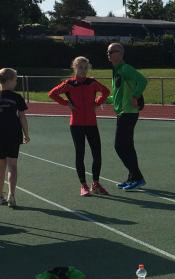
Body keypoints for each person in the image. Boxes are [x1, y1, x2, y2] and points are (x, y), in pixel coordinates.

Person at [48, 57, 111, 196]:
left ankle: (96, 183)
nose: (83, 70)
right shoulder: (69, 83)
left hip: (91, 123)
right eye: (80, 67)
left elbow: (106, 91)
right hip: (76, 124)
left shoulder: (92, 82)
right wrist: (66, 103)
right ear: (75, 68)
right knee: (80, 153)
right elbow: (52, 94)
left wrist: (97, 102)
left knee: (97, 154)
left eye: (85, 68)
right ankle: (83, 185)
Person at [106, 43, 148, 191]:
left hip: (128, 113)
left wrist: (135, 95)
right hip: (122, 113)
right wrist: (103, 99)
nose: (109, 54)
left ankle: (138, 177)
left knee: (119, 146)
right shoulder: (116, 71)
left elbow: (143, 81)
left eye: (112, 51)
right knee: (127, 146)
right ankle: (132, 177)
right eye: (108, 52)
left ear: (121, 53)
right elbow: (117, 95)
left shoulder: (125, 69)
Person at [0, 67, 30, 209]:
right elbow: (22, 117)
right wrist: (26, 134)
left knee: (1, 166)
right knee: (12, 165)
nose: (16, 82)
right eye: (15, 80)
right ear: (10, 81)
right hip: (13, 134)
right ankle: (11, 195)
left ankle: (0, 195)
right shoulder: (17, 97)